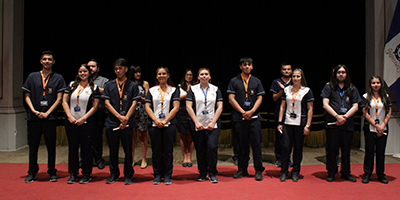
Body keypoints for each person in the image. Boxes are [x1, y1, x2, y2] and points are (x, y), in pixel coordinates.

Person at [22, 51, 66, 183]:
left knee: (51, 146)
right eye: (44, 59)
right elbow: (26, 96)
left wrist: (47, 113)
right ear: (41, 61)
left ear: (53, 62)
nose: (47, 61)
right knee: (33, 147)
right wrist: (34, 110)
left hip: (50, 118)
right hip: (34, 117)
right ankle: (32, 172)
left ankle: (52, 171)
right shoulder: (32, 76)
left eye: (49, 59)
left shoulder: (58, 78)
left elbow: (59, 99)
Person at [102, 58, 140, 185]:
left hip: (128, 123)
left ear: (126, 69)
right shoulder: (109, 85)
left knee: (128, 150)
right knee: (113, 150)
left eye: (120, 68)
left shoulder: (133, 86)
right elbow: (107, 103)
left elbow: (134, 103)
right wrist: (119, 117)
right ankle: (114, 174)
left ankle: (128, 174)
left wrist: (126, 118)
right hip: (113, 122)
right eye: (116, 69)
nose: (118, 71)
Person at [321, 64, 362, 182]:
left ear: (347, 74)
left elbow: (355, 105)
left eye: (343, 72)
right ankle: (331, 172)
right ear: (335, 74)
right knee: (332, 149)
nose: (341, 74)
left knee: (346, 149)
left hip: (347, 123)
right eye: (339, 72)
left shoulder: (352, 88)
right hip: (332, 123)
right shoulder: (329, 86)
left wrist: (344, 117)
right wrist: (337, 116)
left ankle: (346, 172)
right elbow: (325, 104)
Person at [227, 57, 265, 181]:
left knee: (256, 145)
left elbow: (260, 98)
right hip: (240, 117)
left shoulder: (257, 81)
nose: (247, 67)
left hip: (254, 118)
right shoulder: (234, 81)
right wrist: (243, 112)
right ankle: (241, 169)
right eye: (244, 65)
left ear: (252, 67)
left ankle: (258, 170)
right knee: (241, 145)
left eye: (249, 65)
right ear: (240, 66)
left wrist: (252, 111)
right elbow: (231, 98)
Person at [62, 64, 100, 184]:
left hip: (87, 122)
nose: (82, 74)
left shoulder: (94, 87)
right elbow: (64, 101)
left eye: (85, 71)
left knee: (86, 149)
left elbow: (95, 106)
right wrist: (69, 116)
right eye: (80, 72)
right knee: (73, 148)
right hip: (71, 122)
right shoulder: (71, 85)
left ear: (89, 73)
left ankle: (86, 173)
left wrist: (83, 118)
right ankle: (73, 173)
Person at [186, 68, 223, 183]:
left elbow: (220, 106)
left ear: (210, 76)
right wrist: (196, 122)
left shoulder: (216, 89)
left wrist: (213, 122)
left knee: (212, 147)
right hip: (198, 124)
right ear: (198, 77)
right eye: (201, 74)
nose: (204, 76)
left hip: (213, 124)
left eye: (206, 74)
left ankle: (212, 172)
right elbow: (188, 106)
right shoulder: (193, 89)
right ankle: (202, 172)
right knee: (200, 149)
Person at [277, 68, 314, 182]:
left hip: (300, 124)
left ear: (301, 78)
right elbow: (282, 106)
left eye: (298, 76)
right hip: (287, 123)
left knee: (298, 149)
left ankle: (295, 172)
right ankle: (284, 171)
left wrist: (308, 125)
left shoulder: (307, 91)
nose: (295, 78)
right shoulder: (287, 90)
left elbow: (310, 109)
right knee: (285, 148)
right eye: (294, 76)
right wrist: (280, 122)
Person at [145, 67, 180, 185]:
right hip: (154, 125)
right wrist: (155, 119)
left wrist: (164, 121)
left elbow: (176, 107)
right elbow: (147, 107)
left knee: (168, 151)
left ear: (168, 75)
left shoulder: (174, 90)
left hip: (169, 124)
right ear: (156, 76)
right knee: (156, 151)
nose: (161, 76)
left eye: (164, 73)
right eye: (159, 74)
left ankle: (167, 175)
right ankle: (157, 174)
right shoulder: (151, 90)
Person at [361, 76, 392, 184]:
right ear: (370, 85)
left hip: (383, 128)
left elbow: (389, 112)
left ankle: (381, 174)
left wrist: (382, 125)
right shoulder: (366, 96)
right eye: (373, 83)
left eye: (378, 83)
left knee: (380, 152)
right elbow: (365, 112)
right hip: (370, 128)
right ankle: (367, 174)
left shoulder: (386, 96)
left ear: (381, 84)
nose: (376, 85)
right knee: (369, 152)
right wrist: (376, 125)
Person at [270, 62, 293, 167]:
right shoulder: (276, 82)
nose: (286, 71)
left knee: (290, 138)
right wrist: (282, 90)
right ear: (281, 71)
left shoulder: (295, 81)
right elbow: (274, 98)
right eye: (284, 69)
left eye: (288, 69)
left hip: (293, 113)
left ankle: (288, 159)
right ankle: (279, 158)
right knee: (280, 137)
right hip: (280, 112)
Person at [88, 59, 109, 170]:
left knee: (97, 136)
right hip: (84, 112)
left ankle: (98, 159)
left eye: (93, 66)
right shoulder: (82, 79)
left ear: (98, 68)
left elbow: (107, 92)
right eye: (89, 66)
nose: (91, 68)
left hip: (98, 112)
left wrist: (93, 87)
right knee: (85, 137)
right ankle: (85, 159)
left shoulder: (104, 80)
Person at [128, 65, 149, 169]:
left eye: (139, 72)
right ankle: (131, 159)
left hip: (142, 111)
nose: (138, 74)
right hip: (131, 111)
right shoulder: (129, 84)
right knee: (132, 136)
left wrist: (138, 98)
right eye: (136, 72)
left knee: (142, 136)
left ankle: (144, 159)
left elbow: (147, 98)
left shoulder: (145, 83)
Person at [177, 69, 196, 167]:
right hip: (182, 112)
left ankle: (189, 157)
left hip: (192, 111)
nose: (189, 76)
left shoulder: (196, 87)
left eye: (191, 75)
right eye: (187, 75)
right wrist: (188, 93)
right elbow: (177, 98)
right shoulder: (180, 87)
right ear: (184, 76)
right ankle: (184, 157)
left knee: (191, 135)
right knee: (183, 135)